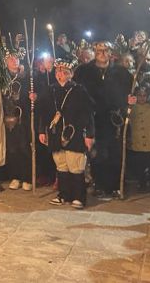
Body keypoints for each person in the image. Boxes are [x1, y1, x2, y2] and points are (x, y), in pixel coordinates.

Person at [74, 41, 132, 199]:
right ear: (94, 51)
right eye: (99, 50)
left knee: (115, 153)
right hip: (93, 119)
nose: (102, 53)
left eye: (105, 50)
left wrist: (128, 102)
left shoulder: (121, 72)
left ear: (110, 52)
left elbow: (131, 90)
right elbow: (76, 91)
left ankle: (115, 186)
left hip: (114, 119)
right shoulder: (84, 71)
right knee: (97, 153)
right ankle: (98, 184)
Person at [37, 58, 95, 209]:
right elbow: (44, 113)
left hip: (74, 133)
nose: (60, 74)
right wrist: (42, 130)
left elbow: (88, 114)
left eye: (64, 72)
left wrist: (90, 134)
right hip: (55, 133)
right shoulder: (50, 90)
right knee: (61, 165)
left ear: (71, 74)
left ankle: (79, 197)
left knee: (75, 165)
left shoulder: (79, 90)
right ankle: (64, 194)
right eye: (57, 71)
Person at [2, 47, 32, 191]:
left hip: (23, 117)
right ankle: (15, 177)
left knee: (24, 147)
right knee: (12, 149)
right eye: (11, 59)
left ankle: (26, 178)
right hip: (8, 117)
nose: (14, 61)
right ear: (6, 61)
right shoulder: (2, 78)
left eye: (16, 58)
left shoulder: (26, 76)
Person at [127, 87, 150, 193]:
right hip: (137, 143)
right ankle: (141, 184)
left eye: (144, 96)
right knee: (139, 166)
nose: (142, 98)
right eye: (140, 95)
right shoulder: (131, 109)